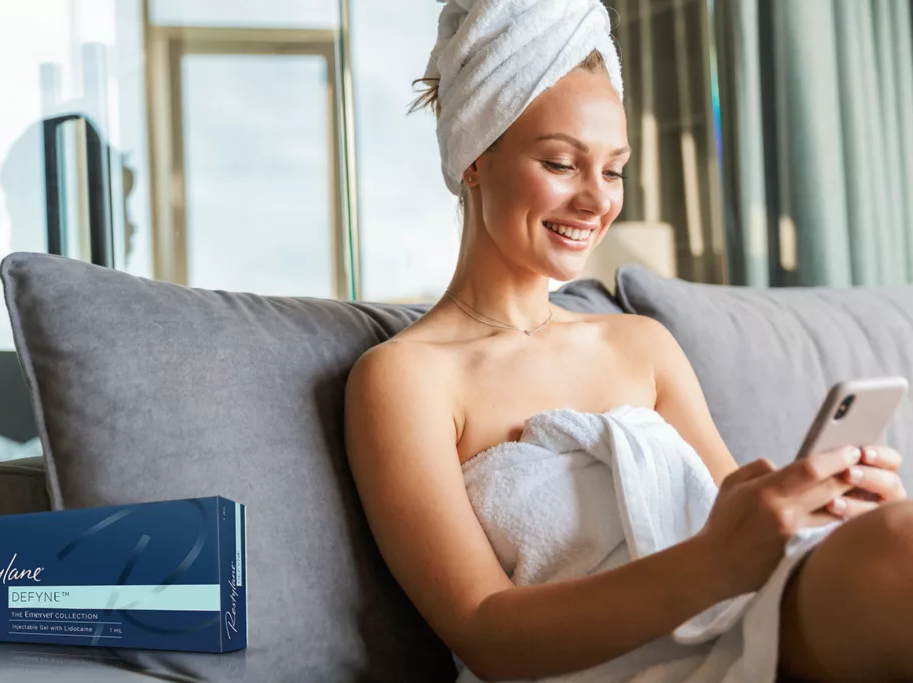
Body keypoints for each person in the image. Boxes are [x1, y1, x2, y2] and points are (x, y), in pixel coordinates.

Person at [342, 1, 912, 682]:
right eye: (560, 163)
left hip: (756, 611)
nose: (596, 201)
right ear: (474, 158)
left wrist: (820, 503)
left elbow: (739, 520)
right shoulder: (405, 380)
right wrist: (718, 560)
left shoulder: (642, 346)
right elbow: (484, 628)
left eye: (613, 170)